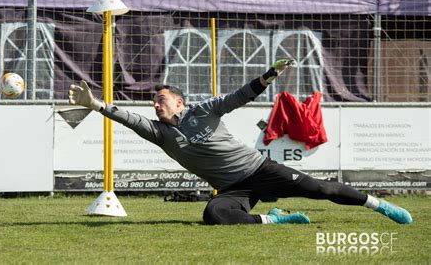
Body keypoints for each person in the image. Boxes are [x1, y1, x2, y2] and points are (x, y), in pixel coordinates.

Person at [68, 60, 413, 225]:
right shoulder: (159, 133)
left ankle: (378, 205)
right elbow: (126, 117)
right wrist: (94, 104)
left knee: (321, 190)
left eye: (161, 99)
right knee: (214, 215)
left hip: (259, 169)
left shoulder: (203, 111)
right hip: (232, 187)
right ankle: (276, 219)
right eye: (154, 102)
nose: (155, 104)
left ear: (179, 102)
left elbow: (238, 97)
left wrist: (266, 77)